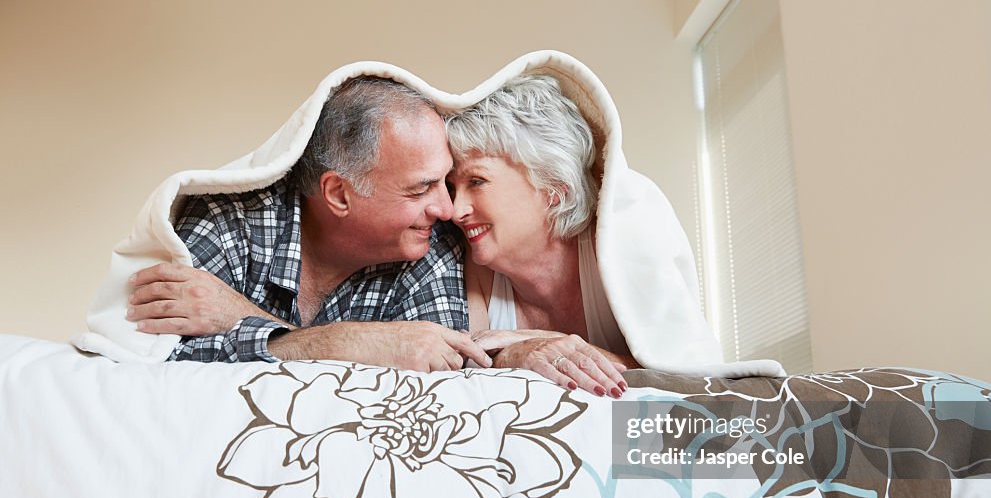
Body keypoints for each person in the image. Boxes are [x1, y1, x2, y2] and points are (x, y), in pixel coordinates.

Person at [125, 77, 490, 371]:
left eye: (445, 182)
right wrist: (360, 345)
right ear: (339, 194)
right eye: (421, 189)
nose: (447, 209)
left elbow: (436, 383)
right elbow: (162, 372)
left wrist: (242, 318)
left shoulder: (431, 242)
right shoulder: (228, 223)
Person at [444, 75, 637, 398]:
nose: (454, 209)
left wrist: (545, 344)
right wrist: (516, 352)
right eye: (453, 187)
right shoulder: (473, 268)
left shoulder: (616, 250)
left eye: (476, 181)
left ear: (553, 189)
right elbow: (469, 377)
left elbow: (676, 370)